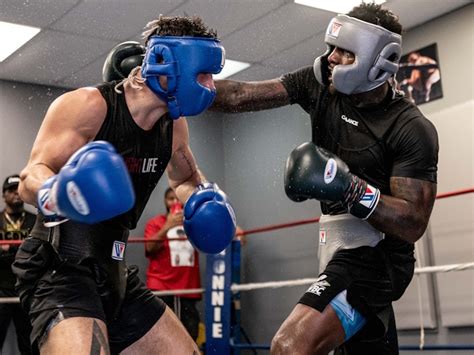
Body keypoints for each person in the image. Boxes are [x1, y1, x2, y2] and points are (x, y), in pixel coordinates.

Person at [212, 3, 438, 354]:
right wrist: (179, 87)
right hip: (334, 240)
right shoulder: (319, 85)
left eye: (343, 52)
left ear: (375, 59)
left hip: (377, 256)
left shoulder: (410, 127)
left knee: (291, 346)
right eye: (331, 47)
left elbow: (412, 223)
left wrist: (350, 189)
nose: (330, 58)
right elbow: (241, 96)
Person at [12, 15, 237, 355]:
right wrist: (59, 191)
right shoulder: (90, 105)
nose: (210, 85)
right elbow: (31, 176)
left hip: (115, 270)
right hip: (61, 266)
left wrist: (203, 199)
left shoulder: (174, 127)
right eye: (202, 74)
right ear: (166, 64)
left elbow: (185, 178)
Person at [144, 187, 202, 341]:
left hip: (188, 289)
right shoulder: (155, 223)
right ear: (165, 201)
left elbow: (213, 233)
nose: (175, 202)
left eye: (179, 199)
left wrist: (234, 231)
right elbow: (149, 248)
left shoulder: (194, 223)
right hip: (163, 288)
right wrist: (167, 226)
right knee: (160, 338)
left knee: (190, 337)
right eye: (171, 198)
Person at [0, 175, 35, 354]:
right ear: (4, 195)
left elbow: (38, 253)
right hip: (1, 289)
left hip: (26, 288)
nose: (16, 193)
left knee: (28, 342)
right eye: (11, 190)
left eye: (18, 189)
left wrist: (8, 251)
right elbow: (27, 252)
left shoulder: (34, 221)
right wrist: (21, 251)